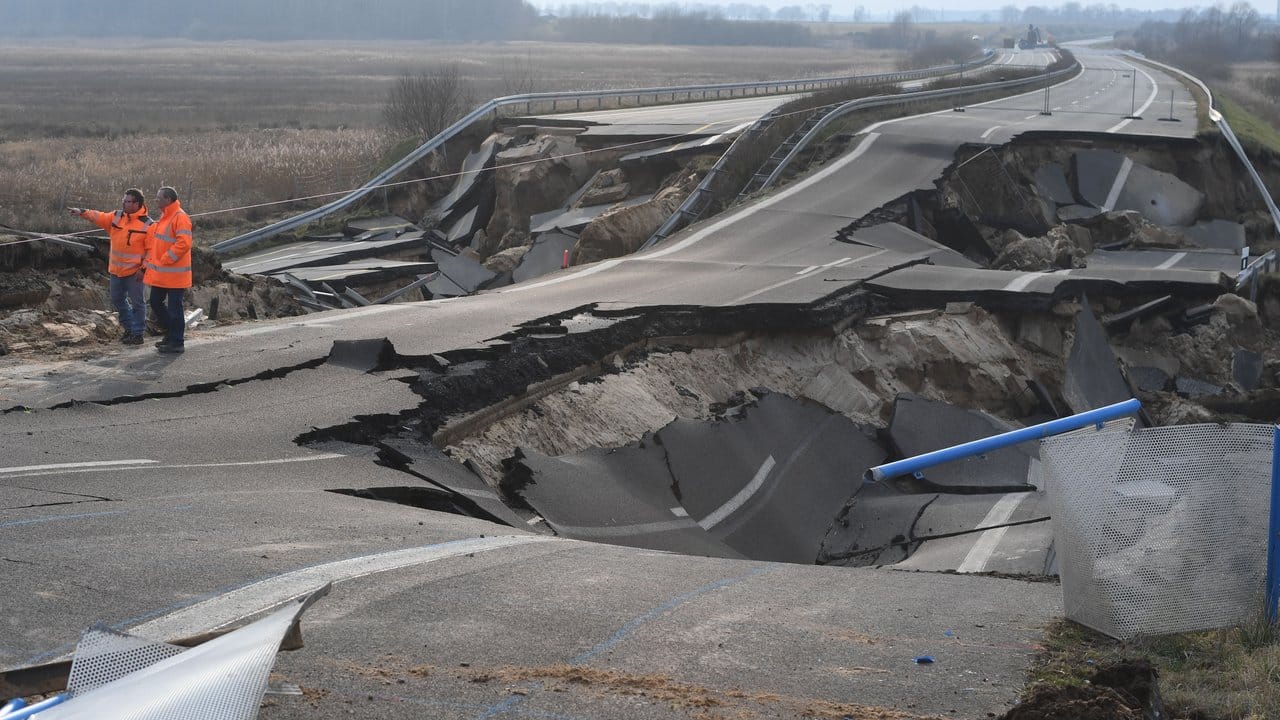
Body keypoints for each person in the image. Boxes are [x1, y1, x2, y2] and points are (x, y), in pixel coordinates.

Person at [67, 189, 153, 345]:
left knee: (138, 303)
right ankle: (129, 328)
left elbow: (151, 251)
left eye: (127, 201)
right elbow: (98, 216)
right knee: (117, 299)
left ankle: (138, 333)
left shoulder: (148, 225)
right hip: (116, 271)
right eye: (124, 200)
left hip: (135, 272)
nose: (123, 203)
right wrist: (82, 212)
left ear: (137, 204)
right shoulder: (117, 217)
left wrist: (143, 269)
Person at [143, 186, 193, 354]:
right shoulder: (165, 216)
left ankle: (177, 341)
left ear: (168, 200)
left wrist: (167, 258)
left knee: (175, 308)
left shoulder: (180, 217)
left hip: (175, 274)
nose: (156, 200)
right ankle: (171, 334)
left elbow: (184, 243)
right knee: (156, 302)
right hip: (163, 274)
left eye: (159, 197)